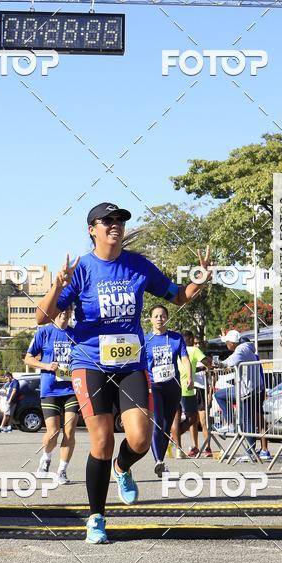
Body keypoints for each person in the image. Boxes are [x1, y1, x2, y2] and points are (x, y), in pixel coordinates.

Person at [36, 201, 213, 544]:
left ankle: (122, 467)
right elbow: (42, 317)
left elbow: (178, 296)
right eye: (108, 220)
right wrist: (58, 284)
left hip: (131, 364)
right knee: (101, 440)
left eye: (120, 220)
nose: (115, 225)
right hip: (90, 364)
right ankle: (96, 518)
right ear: (93, 229)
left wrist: (199, 281)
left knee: (140, 439)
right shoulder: (83, 270)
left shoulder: (138, 266)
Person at [25, 308, 79, 485]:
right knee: (53, 432)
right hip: (50, 389)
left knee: (69, 431)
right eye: (61, 309)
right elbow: (28, 358)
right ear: (54, 312)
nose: (64, 312)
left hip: (71, 389)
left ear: (71, 312)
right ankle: (46, 458)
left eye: (67, 309)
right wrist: (47, 366)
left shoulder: (75, 334)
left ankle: (62, 470)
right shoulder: (44, 332)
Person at [144, 305, 191, 477]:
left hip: (173, 387)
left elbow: (184, 359)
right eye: (156, 316)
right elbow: (140, 364)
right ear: (150, 319)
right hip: (154, 386)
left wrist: (189, 377)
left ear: (167, 318)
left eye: (162, 316)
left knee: (166, 426)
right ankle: (158, 461)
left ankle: (160, 462)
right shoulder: (146, 340)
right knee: (157, 424)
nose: (159, 319)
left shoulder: (176, 338)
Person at [213, 329, 269, 461]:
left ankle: (250, 451)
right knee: (221, 396)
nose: (226, 345)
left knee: (248, 420)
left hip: (247, 390)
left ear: (232, 343)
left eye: (227, 342)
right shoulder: (247, 349)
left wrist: (216, 363)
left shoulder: (241, 350)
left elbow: (228, 362)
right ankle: (252, 448)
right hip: (252, 388)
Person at [176, 331, 212, 458]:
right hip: (190, 388)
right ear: (191, 340)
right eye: (195, 342)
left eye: (198, 343)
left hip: (193, 388)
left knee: (201, 420)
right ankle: (194, 446)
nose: (196, 345)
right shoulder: (192, 351)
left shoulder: (182, 350)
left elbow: (198, 367)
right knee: (192, 419)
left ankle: (207, 447)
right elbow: (208, 364)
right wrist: (210, 364)